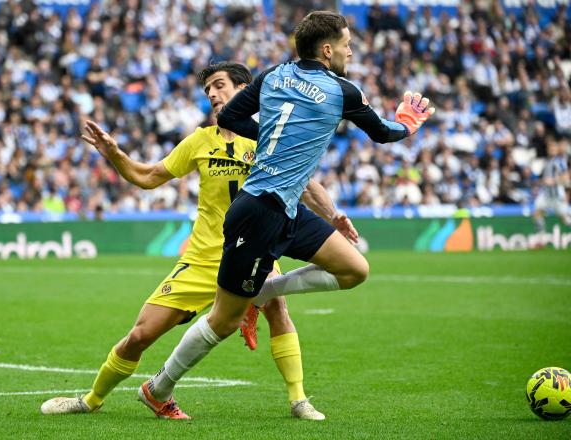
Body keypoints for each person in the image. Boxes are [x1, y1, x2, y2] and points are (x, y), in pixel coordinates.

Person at [139, 11, 435, 418]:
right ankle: (159, 387)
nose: (351, 50)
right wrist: (408, 124)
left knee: (354, 269)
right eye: (347, 44)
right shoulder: (343, 90)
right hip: (258, 211)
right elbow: (384, 132)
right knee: (223, 321)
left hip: (288, 207)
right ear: (327, 49)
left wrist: (274, 139)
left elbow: (229, 117)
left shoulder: (272, 75)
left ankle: (264, 292)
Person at [40, 62, 358, 420]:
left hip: (254, 247)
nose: (212, 94)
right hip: (204, 258)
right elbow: (148, 177)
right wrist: (115, 154)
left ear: (245, 90)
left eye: (219, 85)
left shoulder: (267, 137)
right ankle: (91, 400)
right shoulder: (199, 140)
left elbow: (308, 185)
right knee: (140, 335)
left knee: (277, 308)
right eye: (208, 90)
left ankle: (298, 400)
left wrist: (333, 215)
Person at [533, 136, 571, 241]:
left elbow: (566, 178)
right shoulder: (547, 161)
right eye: (550, 148)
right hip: (546, 194)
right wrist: (541, 182)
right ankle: (540, 237)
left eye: (554, 148)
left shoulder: (560, 162)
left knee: (565, 219)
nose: (552, 150)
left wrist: (553, 181)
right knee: (536, 212)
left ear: (557, 149)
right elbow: (545, 178)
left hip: (557, 196)